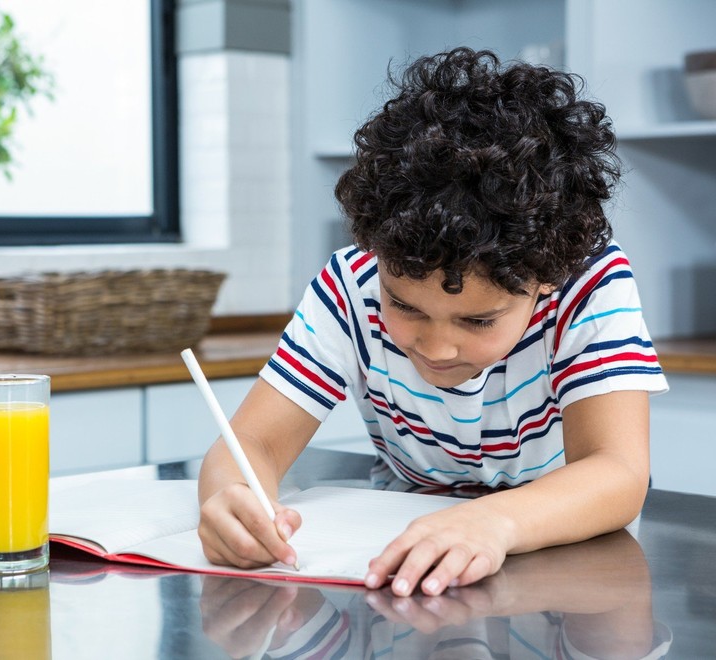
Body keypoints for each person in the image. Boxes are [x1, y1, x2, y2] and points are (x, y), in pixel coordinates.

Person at [196, 47, 668, 598]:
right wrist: (231, 496)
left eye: (478, 319)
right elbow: (253, 439)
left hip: (569, 563)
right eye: (407, 307)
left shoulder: (589, 283)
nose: (439, 348)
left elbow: (617, 472)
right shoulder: (351, 285)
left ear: (547, 280)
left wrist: (494, 522)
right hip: (404, 560)